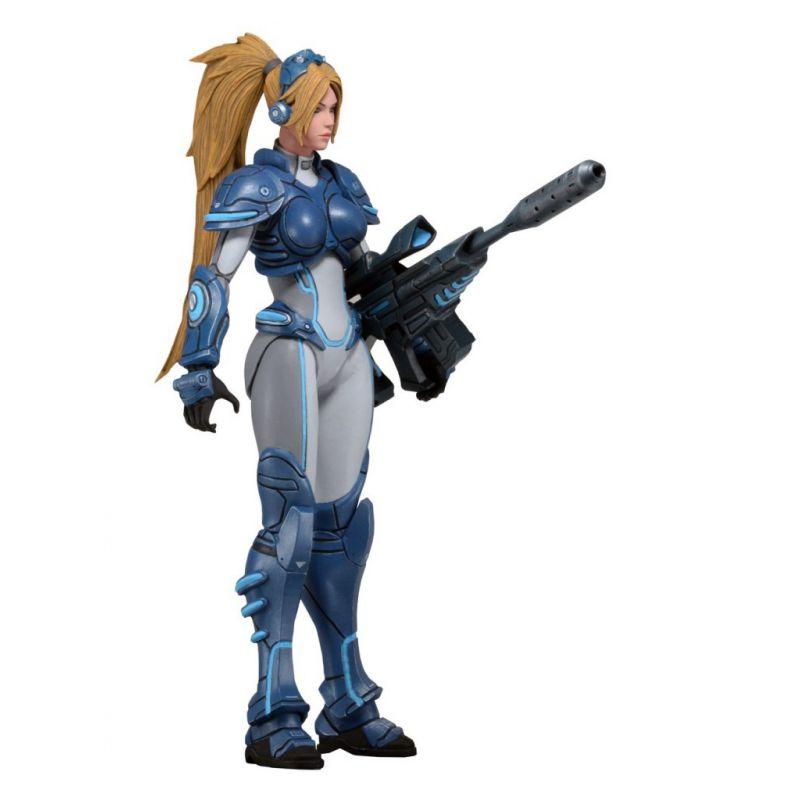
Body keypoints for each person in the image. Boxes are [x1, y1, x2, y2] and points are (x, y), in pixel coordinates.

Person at [159, 34, 416, 770]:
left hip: (349, 355)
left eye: (335, 106)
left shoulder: (342, 183)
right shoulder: (255, 186)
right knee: (291, 525)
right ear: (285, 109)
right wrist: (198, 365)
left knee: (342, 529)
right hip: (290, 351)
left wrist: (415, 306)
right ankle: (274, 709)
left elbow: (359, 269)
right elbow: (214, 276)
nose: (330, 119)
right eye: (319, 106)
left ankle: (347, 699)